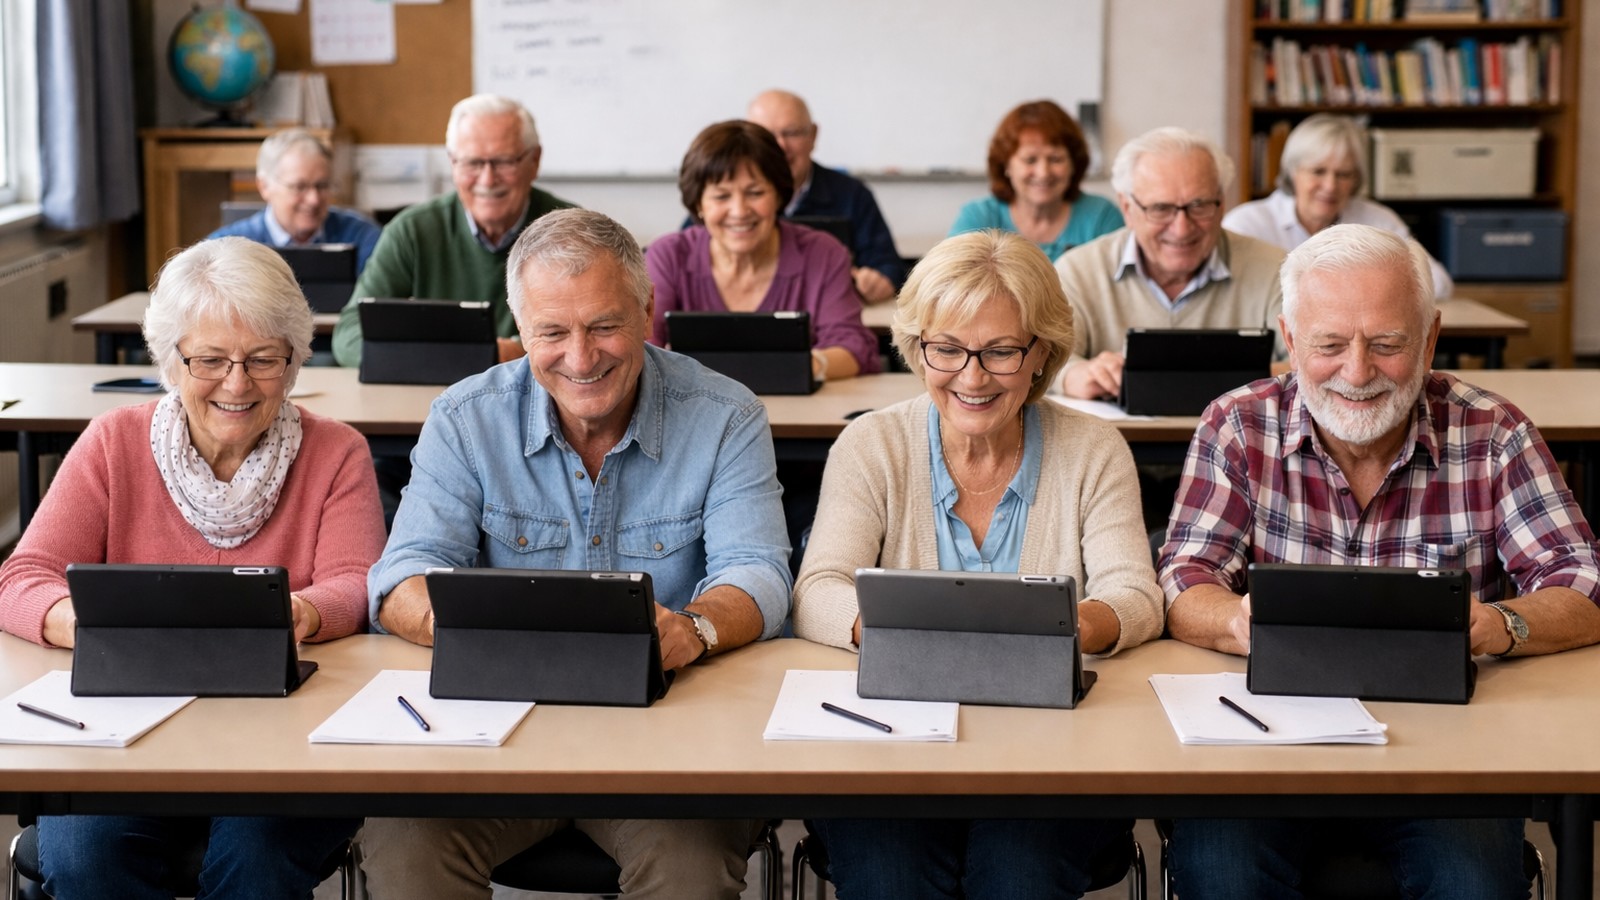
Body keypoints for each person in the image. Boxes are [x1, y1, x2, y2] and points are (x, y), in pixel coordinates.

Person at [357, 209, 793, 899]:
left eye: (604, 326)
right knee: (405, 852)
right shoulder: (464, 419)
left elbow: (759, 572)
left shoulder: (726, 415)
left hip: (666, 741)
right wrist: (480, 633)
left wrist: (698, 629)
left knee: (689, 871)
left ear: (648, 311)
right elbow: (402, 575)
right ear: (519, 328)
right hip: (489, 741)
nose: (581, 359)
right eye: (552, 333)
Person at [1158, 224, 1600, 899]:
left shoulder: (1493, 432)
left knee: (1472, 884)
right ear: (1290, 338)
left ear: (1429, 338)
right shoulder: (1237, 425)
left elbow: (1581, 579)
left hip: (1449, 751)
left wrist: (1504, 625)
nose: (1357, 373)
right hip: (1264, 743)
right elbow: (1186, 574)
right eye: (1329, 345)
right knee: (1222, 876)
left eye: (1388, 344)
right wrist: (1232, 621)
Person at [0, 237, 384, 899]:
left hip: (286, 739)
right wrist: (92, 623)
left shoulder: (336, 451)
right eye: (210, 359)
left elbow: (357, 581)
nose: (237, 383)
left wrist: (305, 611)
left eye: (263, 359)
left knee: (258, 859)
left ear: (293, 361)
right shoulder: (113, 442)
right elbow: (23, 576)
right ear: (171, 359)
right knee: (89, 856)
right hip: (123, 734)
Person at [792, 230, 1164, 899]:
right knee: (889, 875)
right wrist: (900, 631)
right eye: (948, 349)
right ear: (918, 348)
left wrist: (1066, 626)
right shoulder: (871, 444)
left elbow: (1136, 594)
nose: (971, 376)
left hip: (1055, 754)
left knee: (1018, 874)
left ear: (1040, 353)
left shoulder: (1094, 448)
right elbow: (817, 590)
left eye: (999, 351)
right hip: (889, 747)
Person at [331, 94, 577, 368]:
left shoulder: (572, 232)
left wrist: (517, 352)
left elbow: (602, 329)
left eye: (504, 161)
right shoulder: (413, 230)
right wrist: (455, 355)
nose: (487, 179)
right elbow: (349, 335)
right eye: (472, 163)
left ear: (534, 160)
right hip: (436, 396)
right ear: (452, 163)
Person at [1054, 127, 1288, 401]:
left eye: (1199, 206)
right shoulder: (1078, 271)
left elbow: (1310, 362)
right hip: (1122, 442)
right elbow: (1045, 364)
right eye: (1161, 209)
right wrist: (1075, 375)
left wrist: (1220, 381)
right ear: (1127, 209)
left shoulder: (1276, 270)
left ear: (1221, 204)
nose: (1181, 229)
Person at [646, 119, 880, 381]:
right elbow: (643, 349)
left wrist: (790, 369)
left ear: (779, 195)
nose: (739, 211)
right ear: (698, 203)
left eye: (755, 193)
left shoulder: (824, 253)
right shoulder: (667, 256)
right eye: (722, 196)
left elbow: (854, 349)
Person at [1223, 113, 1454, 298]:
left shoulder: (1378, 220)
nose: (1330, 186)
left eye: (1343, 174)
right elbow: (1231, 294)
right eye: (1318, 171)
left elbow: (1439, 283)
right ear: (1293, 172)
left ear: (1356, 179)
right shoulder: (1247, 223)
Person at [745, 89, 906, 302]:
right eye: (767, 136)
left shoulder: (852, 194)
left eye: (791, 133)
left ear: (813, 135)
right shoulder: (726, 202)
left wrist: (879, 280)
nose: (781, 146)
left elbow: (889, 266)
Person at [948, 100, 1123, 263]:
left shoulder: (1102, 217)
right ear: (1006, 165)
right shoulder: (977, 219)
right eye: (1030, 160)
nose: (1043, 173)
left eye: (1055, 159)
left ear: (1074, 164)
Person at [207, 128, 382, 274]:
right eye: (300, 187)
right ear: (264, 186)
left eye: (322, 186)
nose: (313, 200)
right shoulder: (224, 250)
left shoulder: (363, 238)